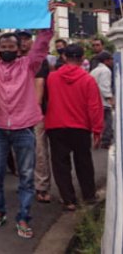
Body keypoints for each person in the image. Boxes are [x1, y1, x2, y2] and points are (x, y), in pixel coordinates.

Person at [0, 4, 53, 239]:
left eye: (11, 47)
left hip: (24, 128)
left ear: (18, 49)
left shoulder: (29, 65)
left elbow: (43, 43)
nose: (7, 49)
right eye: (3, 47)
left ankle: (24, 217)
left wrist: (48, 16)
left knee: (26, 175)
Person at [45, 44, 104, 211]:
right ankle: (89, 195)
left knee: (60, 164)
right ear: (82, 57)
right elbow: (94, 107)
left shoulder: (52, 78)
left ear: (64, 57)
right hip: (80, 126)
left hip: (56, 125)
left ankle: (69, 200)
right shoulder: (88, 80)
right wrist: (97, 130)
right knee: (84, 162)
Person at [16, 30, 53, 205]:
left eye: (26, 39)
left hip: (34, 111)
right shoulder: (11, 59)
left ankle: (42, 186)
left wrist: (34, 110)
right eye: (20, 39)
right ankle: (26, 183)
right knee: (21, 150)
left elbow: (39, 84)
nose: (23, 42)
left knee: (39, 150)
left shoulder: (38, 60)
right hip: (15, 111)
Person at [90, 51, 114, 149]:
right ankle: (106, 141)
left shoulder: (95, 70)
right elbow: (104, 86)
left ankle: (98, 137)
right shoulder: (105, 70)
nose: (112, 61)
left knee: (99, 122)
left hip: (95, 100)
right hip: (103, 101)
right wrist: (110, 98)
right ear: (106, 60)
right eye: (110, 59)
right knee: (107, 122)